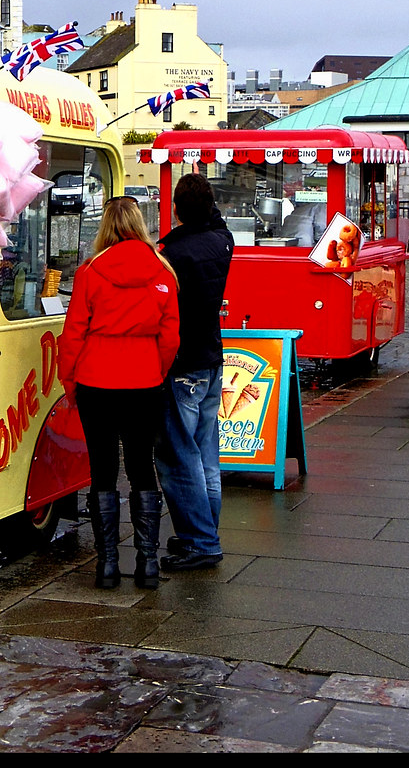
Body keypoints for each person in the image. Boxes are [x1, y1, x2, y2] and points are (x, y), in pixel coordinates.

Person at [59, 196, 179, 589]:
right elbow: (170, 338)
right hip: (143, 378)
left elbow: (74, 331)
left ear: (106, 225)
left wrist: (70, 379)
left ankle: (107, 564)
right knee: (143, 467)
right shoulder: (162, 272)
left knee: (103, 469)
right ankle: (147, 563)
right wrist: (155, 371)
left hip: (97, 377)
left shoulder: (90, 272)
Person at [154, 173, 234, 571]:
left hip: (182, 360)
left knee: (178, 457)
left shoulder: (172, 251)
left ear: (177, 209)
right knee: (206, 456)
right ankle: (204, 531)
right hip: (211, 356)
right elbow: (215, 220)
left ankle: (201, 541)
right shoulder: (223, 241)